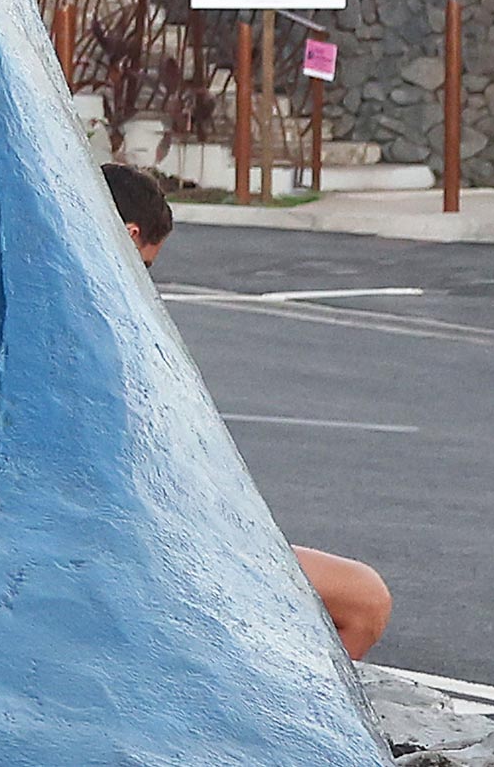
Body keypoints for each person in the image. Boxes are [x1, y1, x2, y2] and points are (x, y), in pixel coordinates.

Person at [102, 164, 394, 659]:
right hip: (151, 540)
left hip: (156, 527)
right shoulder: (112, 323)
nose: (146, 282)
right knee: (364, 600)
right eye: (147, 265)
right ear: (131, 236)